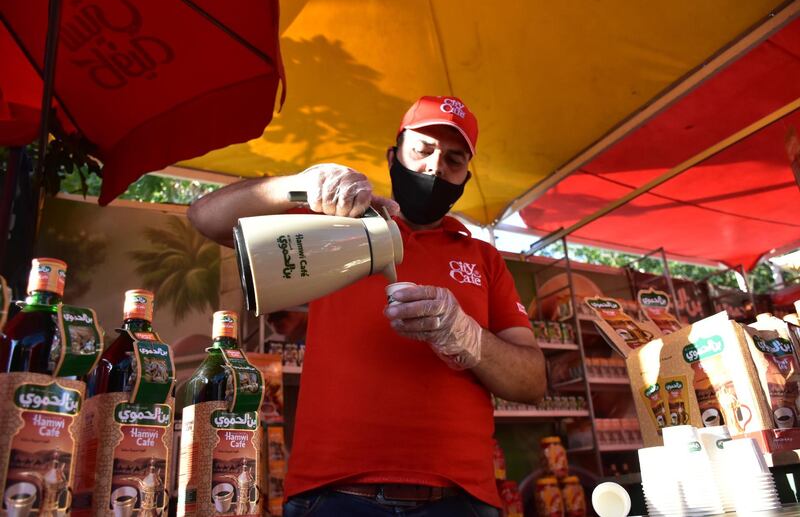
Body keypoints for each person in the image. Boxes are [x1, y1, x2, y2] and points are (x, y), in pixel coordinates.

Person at [188, 96, 546, 516]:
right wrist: (296, 185)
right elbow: (205, 218)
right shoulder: (334, 224)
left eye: (453, 159)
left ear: (468, 174)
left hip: (460, 497)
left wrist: (466, 335)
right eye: (423, 150)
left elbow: (532, 381)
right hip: (332, 492)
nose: (435, 167)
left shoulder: (483, 257)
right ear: (393, 156)